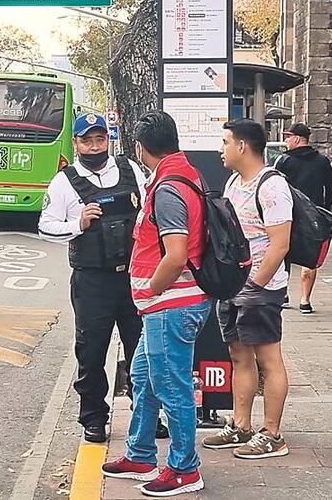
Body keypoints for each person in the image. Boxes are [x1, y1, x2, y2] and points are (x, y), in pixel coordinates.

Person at [100, 111, 209, 497]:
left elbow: (176, 254)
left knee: (171, 386)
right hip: (167, 306)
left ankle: (184, 468)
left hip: (171, 304)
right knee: (144, 378)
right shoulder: (181, 174)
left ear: (140, 148)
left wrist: (150, 289)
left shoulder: (168, 188)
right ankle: (141, 453)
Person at [39, 113, 146, 444]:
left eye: (100, 139)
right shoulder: (64, 182)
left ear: (108, 140)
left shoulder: (130, 170)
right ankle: (94, 418)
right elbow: (45, 226)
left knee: (142, 350)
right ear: (76, 143)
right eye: (87, 140)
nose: (95, 146)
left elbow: (149, 210)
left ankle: (146, 415)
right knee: (91, 351)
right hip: (92, 282)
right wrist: (78, 224)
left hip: (133, 278)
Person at [203, 119, 291, 460]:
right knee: (239, 356)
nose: (220, 149)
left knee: (268, 360)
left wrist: (255, 283)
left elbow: (279, 244)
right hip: (233, 285)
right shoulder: (233, 183)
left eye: (225, 142)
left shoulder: (271, 187)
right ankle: (241, 426)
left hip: (261, 286)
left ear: (242, 146)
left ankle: (273, 434)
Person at [274, 123, 332, 314]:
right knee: (310, 256)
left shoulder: (283, 161)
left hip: (288, 215)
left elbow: (275, 187)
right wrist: (324, 209)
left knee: (282, 252)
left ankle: (283, 293)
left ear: (297, 139)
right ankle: (305, 299)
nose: (286, 141)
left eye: (288, 137)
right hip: (313, 216)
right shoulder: (322, 161)